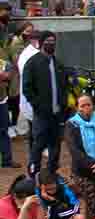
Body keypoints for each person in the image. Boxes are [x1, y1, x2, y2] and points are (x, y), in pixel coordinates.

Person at [63, 94, 95, 219]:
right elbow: (74, 150)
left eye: (88, 104)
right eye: (82, 105)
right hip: (83, 172)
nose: (86, 108)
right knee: (89, 204)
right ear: (77, 108)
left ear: (93, 105)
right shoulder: (72, 125)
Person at [22, 32, 67, 178]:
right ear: (41, 43)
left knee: (55, 145)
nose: (51, 44)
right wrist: (38, 105)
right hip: (41, 114)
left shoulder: (58, 63)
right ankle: (33, 173)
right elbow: (27, 88)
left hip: (56, 113)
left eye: (53, 41)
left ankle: (52, 173)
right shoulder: (32, 63)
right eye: (48, 41)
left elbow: (63, 86)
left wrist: (63, 105)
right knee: (38, 145)